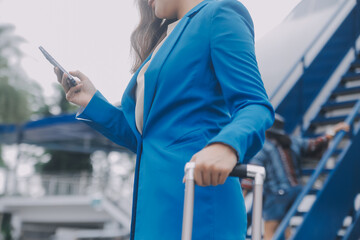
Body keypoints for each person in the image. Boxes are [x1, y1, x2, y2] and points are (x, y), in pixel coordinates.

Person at [55, 0, 274, 239]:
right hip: (155, 210)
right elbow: (147, 139)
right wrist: (90, 100)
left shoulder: (219, 14)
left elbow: (254, 104)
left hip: (198, 203)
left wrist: (227, 145)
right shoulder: (164, 41)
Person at [241, 114, 350, 240]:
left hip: (276, 194)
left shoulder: (263, 147)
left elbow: (253, 171)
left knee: (270, 231)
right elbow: (314, 145)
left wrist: (243, 194)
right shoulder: (292, 141)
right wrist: (333, 131)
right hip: (294, 191)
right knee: (285, 227)